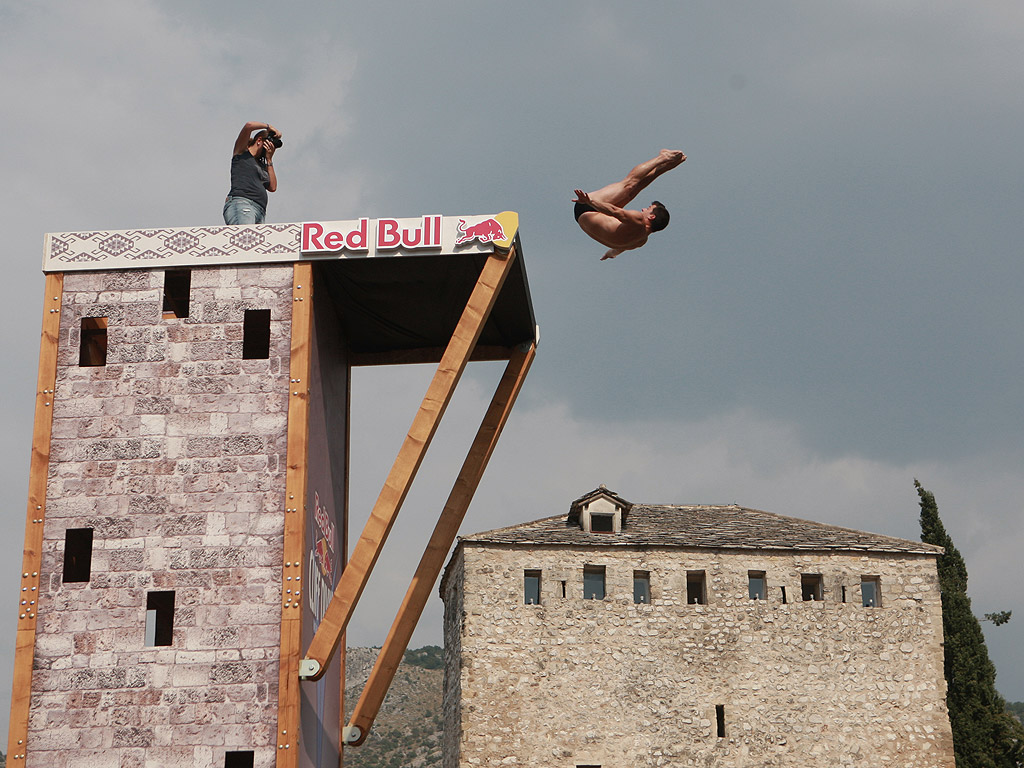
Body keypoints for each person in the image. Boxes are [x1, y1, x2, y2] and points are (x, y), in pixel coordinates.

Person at [573, 149, 686, 260]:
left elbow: (614, 211)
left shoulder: (638, 220)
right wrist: (611, 253)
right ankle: (668, 165)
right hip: (586, 217)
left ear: (652, 216)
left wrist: (589, 201)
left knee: (629, 185)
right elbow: (619, 249)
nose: (643, 209)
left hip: (588, 207)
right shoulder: (641, 241)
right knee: (632, 192)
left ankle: (663, 158)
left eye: (648, 208)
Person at [223, 121, 283, 225]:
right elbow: (248, 126)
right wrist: (269, 127)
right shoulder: (242, 152)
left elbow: (272, 187)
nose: (271, 148)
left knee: (254, 240)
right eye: (269, 144)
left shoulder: (262, 165)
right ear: (259, 140)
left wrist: (269, 160)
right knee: (245, 238)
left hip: (260, 210)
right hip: (242, 203)